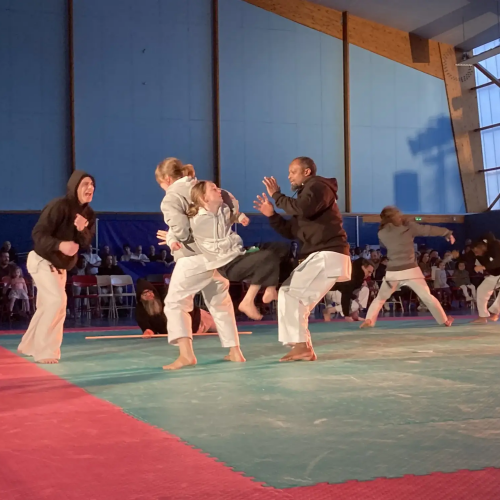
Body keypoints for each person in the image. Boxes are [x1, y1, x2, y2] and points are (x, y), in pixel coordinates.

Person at [253, 156, 351, 362]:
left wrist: (277, 196)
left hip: (328, 253)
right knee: (289, 293)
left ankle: (301, 345)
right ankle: (300, 345)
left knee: (292, 294)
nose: (289, 176)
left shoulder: (318, 186)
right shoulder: (307, 197)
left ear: (307, 172)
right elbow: (292, 231)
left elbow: (303, 207)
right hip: (321, 255)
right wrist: (272, 215)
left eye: (293, 172)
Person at [155, 157, 245, 370]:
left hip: (193, 258)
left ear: (167, 179)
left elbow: (182, 231)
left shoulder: (171, 197)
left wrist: (172, 237)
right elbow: (232, 207)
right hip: (219, 256)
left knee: (176, 303)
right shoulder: (206, 188)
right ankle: (235, 351)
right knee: (221, 302)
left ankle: (186, 355)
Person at [18, 170, 95, 364]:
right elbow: (38, 234)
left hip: (61, 268)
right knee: (56, 301)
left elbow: (86, 242)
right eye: (85, 184)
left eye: (92, 185)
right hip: (41, 260)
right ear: (75, 186)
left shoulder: (89, 214)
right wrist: (60, 245)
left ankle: (28, 345)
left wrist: (82, 229)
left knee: (48, 306)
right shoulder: (58, 206)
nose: (90, 188)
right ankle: (45, 351)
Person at [186, 180, 279, 320]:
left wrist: (240, 217)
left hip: (237, 255)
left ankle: (271, 289)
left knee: (277, 248)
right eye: (213, 189)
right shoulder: (198, 220)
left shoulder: (223, 209)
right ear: (203, 198)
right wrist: (171, 238)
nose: (219, 190)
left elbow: (231, 215)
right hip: (226, 264)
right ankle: (248, 301)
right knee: (267, 256)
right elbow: (183, 230)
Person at [359, 207, 454, 329]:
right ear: (396, 216)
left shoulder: (381, 233)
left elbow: (384, 245)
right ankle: (444, 320)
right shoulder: (408, 227)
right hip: (411, 271)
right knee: (427, 297)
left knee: (380, 298)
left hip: (392, 272)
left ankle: (369, 320)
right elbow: (428, 230)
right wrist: (447, 232)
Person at [136, 279, 216, 337]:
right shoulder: (140, 312)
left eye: (150, 291)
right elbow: (147, 327)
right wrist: (148, 331)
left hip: (200, 319)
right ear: (140, 298)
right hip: (184, 332)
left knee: (221, 328)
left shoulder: (166, 297)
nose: (149, 295)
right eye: (144, 294)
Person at [471, 234, 500, 324]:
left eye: (476, 251)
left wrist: (484, 267)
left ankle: (496, 312)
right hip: (494, 275)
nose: (476, 254)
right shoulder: (480, 255)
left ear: (481, 247)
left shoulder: (495, 246)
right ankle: (482, 316)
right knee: (482, 290)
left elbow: (498, 261)